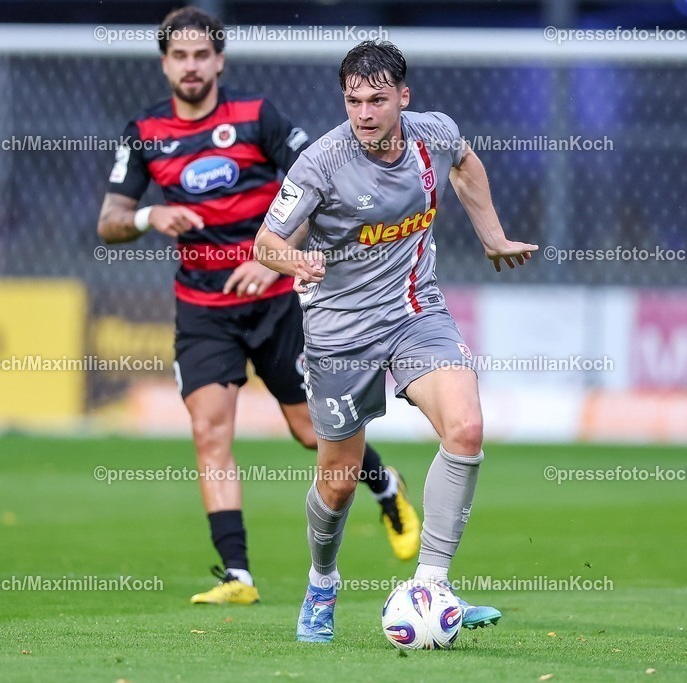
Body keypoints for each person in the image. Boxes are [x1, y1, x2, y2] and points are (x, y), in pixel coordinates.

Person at [97, 9, 420, 606]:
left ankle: (384, 485)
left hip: (275, 304)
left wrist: (269, 255)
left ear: (219, 61)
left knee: (309, 430)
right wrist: (149, 216)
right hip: (202, 310)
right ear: (165, 63)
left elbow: (319, 186)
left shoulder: (258, 118)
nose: (191, 67)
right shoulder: (144, 132)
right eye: (179, 56)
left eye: (201, 56)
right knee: (209, 431)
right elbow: (110, 221)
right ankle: (238, 576)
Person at [255, 40, 538, 642]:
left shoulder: (433, 134)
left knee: (465, 430)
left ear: (403, 98)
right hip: (339, 332)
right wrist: (295, 260)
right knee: (338, 478)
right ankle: (322, 583)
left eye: (377, 99)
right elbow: (267, 242)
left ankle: (430, 584)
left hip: (415, 313)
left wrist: (492, 235)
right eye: (353, 100)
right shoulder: (322, 163)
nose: (363, 112)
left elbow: (465, 163)